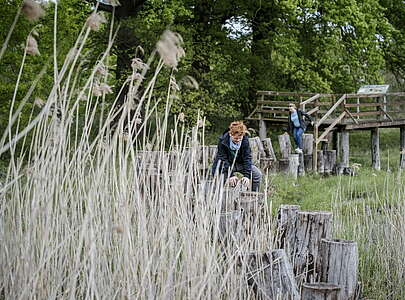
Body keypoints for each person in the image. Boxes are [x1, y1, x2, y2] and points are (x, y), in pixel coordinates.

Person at [211, 121, 262, 192]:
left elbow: (247, 158)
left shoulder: (245, 140)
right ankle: (218, 198)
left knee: (257, 174)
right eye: (235, 139)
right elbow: (223, 159)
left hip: (240, 164)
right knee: (220, 179)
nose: (238, 140)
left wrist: (247, 176)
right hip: (225, 165)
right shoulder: (223, 141)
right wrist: (230, 175)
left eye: (240, 138)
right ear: (230, 134)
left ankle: (254, 196)